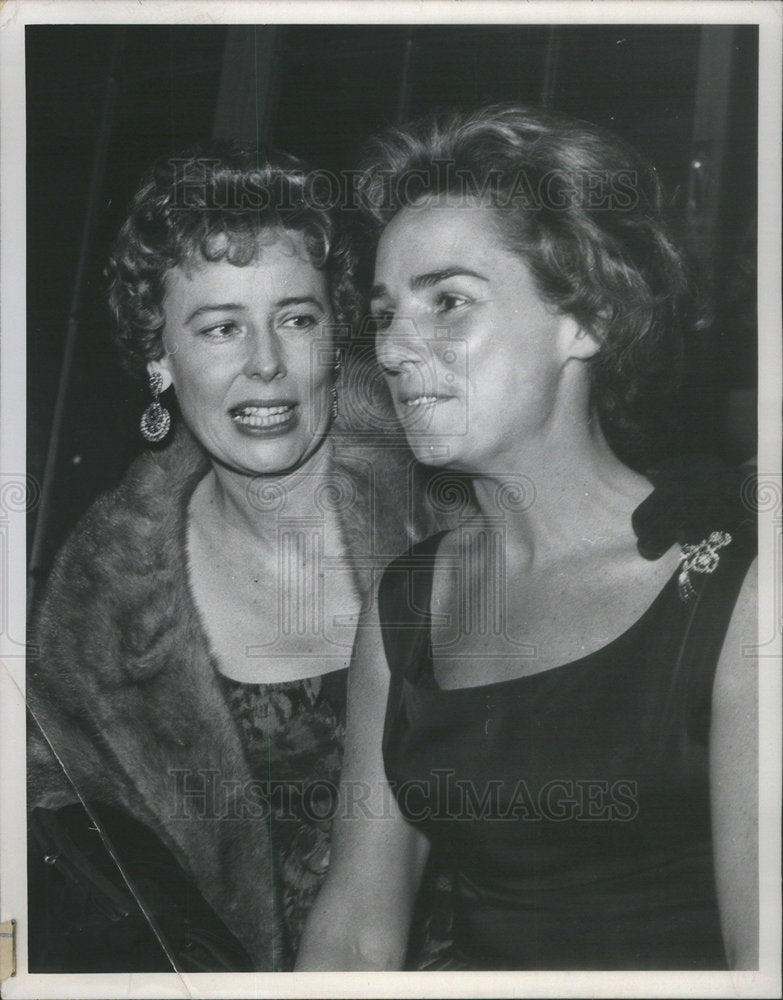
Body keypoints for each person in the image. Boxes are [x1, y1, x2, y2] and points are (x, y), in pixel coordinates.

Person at [297, 105, 758, 971]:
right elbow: (357, 936)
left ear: (589, 320)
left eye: (449, 302)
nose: (394, 349)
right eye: (385, 311)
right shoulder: (403, 608)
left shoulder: (735, 594)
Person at [26, 142, 436, 972]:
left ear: (336, 333)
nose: (265, 364)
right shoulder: (101, 602)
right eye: (219, 327)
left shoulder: (449, 506)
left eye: (296, 318)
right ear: (158, 359)